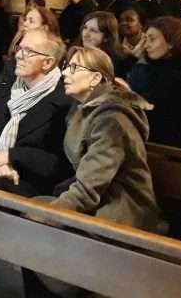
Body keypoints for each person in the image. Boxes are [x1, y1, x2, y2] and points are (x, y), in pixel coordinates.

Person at [23, 46, 159, 297]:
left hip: (122, 210)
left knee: (35, 224)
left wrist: (50, 214)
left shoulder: (111, 120)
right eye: (66, 67)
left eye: (74, 68)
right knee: (28, 216)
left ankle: (74, 287)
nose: (65, 73)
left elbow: (89, 188)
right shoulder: (83, 110)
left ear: (96, 78)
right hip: (100, 202)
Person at [0, 30, 73, 298]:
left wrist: (11, 156)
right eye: (20, 48)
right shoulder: (14, 91)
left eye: (28, 51)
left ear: (48, 62)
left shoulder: (63, 101)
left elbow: (60, 164)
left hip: (35, 186)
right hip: (0, 176)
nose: (19, 55)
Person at [127, 17, 181, 149]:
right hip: (140, 142)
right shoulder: (141, 70)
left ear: (171, 43)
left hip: (171, 148)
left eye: (152, 39)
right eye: (145, 39)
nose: (146, 45)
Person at [77, 11, 130, 79]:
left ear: (106, 37)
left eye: (93, 31)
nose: (85, 34)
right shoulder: (76, 53)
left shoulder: (115, 63)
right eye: (85, 28)